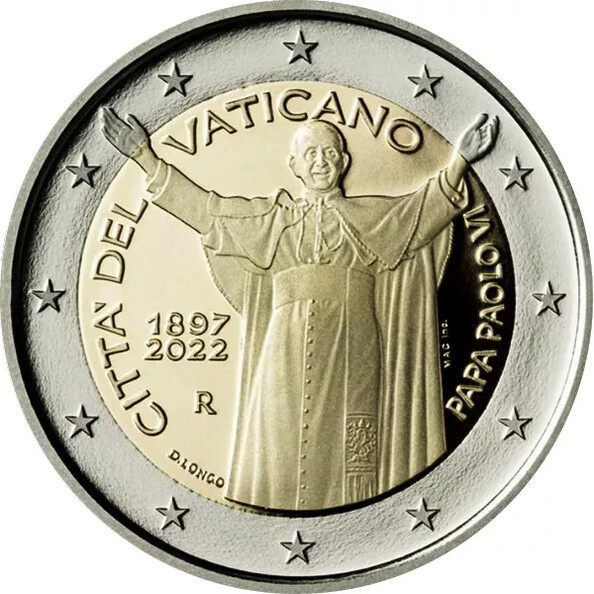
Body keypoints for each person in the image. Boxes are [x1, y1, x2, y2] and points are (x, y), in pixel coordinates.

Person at [101, 108, 499, 511]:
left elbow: (421, 212)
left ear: (344, 162)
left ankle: (357, 519)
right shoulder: (271, 219)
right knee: (281, 432)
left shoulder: (372, 216)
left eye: (330, 153)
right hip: (284, 347)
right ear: (294, 165)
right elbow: (206, 212)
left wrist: (460, 161)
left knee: (354, 440)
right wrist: (145, 158)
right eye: (311, 154)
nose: (321, 162)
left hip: (354, 341)